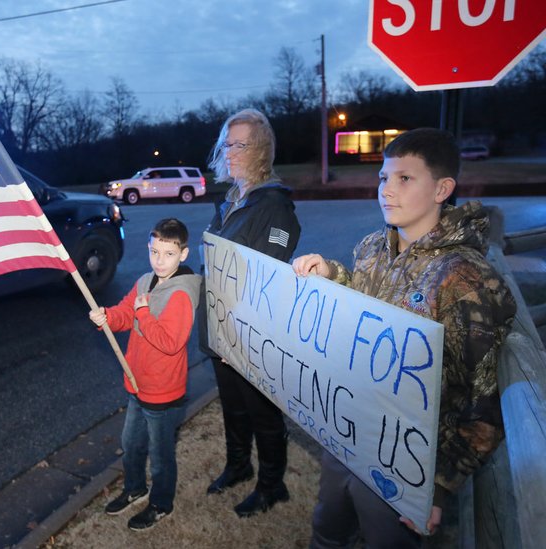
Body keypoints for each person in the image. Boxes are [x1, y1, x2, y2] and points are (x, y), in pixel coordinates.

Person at [292, 127, 516, 548]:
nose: (386, 190)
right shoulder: (372, 248)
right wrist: (331, 274)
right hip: (351, 431)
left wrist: (439, 485)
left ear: (441, 189)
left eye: (404, 179)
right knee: (328, 529)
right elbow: (361, 302)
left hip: (407, 461)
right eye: (383, 178)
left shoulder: (463, 278)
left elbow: (483, 401)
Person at [199, 108, 301, 517]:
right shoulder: (230, 200)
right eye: (229, 143)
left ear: (262, 150)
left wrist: (239, 324)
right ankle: (238, 466)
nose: (233, 151)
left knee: (262, 409)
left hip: (252, 330)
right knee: (232, 405)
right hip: (221, 324)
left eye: (243, 144)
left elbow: (269, 271)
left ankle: (272, 484)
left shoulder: (274, 206)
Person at [89, 218, 202, 531]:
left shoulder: (181, 295)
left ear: (183, 254)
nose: (159, 260)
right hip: (138, 382)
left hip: (163, 391)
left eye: (168, 254)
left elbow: (170, 342)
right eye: (154, 252)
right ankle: (135, 487)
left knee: (160, 452)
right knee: (132, 443)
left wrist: (143, 313)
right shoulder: (145, 281)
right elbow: (126, 313)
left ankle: (161, 503)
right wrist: (107, 317)